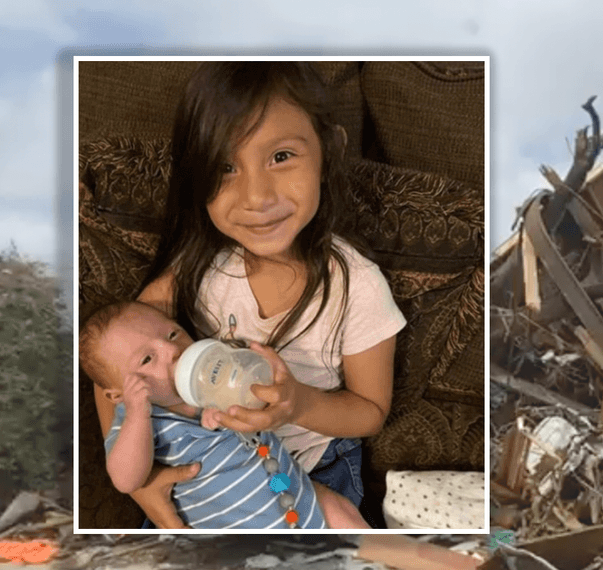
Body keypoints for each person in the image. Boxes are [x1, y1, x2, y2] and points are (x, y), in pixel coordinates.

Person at [91, 61, 406, 528]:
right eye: (225, 166)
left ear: (329, 151)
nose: (256, 197)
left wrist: (297, 404)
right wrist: (144, 491)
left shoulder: (356, 287)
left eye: (280, 156)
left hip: (311, 466)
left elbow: (369, 412)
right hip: (209, 473)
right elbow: (110, 366)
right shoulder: (199, 268)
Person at [81, 301, 369, 530]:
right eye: (147, 359)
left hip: (290, 493)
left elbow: (263, 398)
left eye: (172, 333)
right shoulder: (136, 422)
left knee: (342, 513)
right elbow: (126, 480)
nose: (171, 351)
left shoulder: (217, 376)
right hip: (236, 528)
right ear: (117, 394)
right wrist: (137, 417)